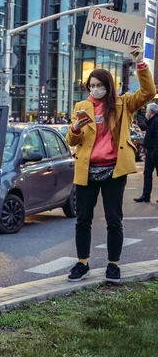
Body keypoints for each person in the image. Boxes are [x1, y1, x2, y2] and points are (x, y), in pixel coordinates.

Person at [65, 46, 156, 283]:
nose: (95, 89)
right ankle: (82, 263)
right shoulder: (81, 107)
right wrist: (75, 129)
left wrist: (140, 63)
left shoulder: (123, 104)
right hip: (87, 170)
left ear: (108, 85)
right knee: (83, 219)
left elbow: (148, 92)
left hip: (113, 170)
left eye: (99, 85)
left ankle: (113, 265)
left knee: (114, 220)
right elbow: (72, 139)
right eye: (91, 86)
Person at [134, 103, 158, 202]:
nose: (146, 113)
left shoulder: (156, 121)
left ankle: (146, 195)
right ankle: (146, 195)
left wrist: (156, 152)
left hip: (155, 152)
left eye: (147, 111)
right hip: (150, 152)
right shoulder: (151, 121)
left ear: (151, 111)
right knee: (147, 173)